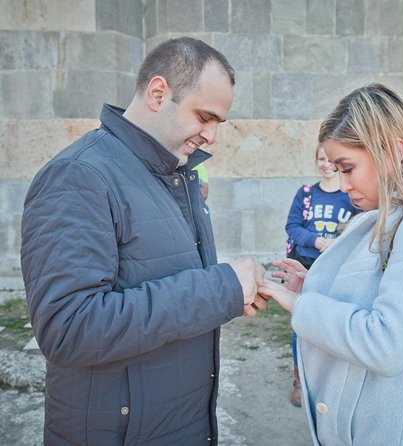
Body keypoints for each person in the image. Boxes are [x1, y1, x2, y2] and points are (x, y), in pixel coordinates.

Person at [20, 37, 268, 445]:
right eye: (205, 117)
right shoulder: (77, 177)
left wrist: (231, 295)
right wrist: (219, 288)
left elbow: (165, 285)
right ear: (157, 93)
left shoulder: (177, 174)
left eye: (219, 123)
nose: (212, 136)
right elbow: (69, 328)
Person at [260, 83, 403, 445]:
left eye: (348, 168)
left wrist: (302, 305)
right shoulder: (384, 214)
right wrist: (312, 285)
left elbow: (388, 343)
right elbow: (373, 296)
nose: (342, 183)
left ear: (392, 152)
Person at [284, 144, 359, 407]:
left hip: (336, 270)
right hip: (306, 263)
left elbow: (359, 231)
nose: (326, 164)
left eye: (330, 159)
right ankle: (300, 381)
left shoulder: (350, 196)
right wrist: (316, 241)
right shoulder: (306, 194)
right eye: (321, 159)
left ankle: (329, 381)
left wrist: (336, 244)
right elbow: (292, 227)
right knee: (301, 324)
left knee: (331, 323)